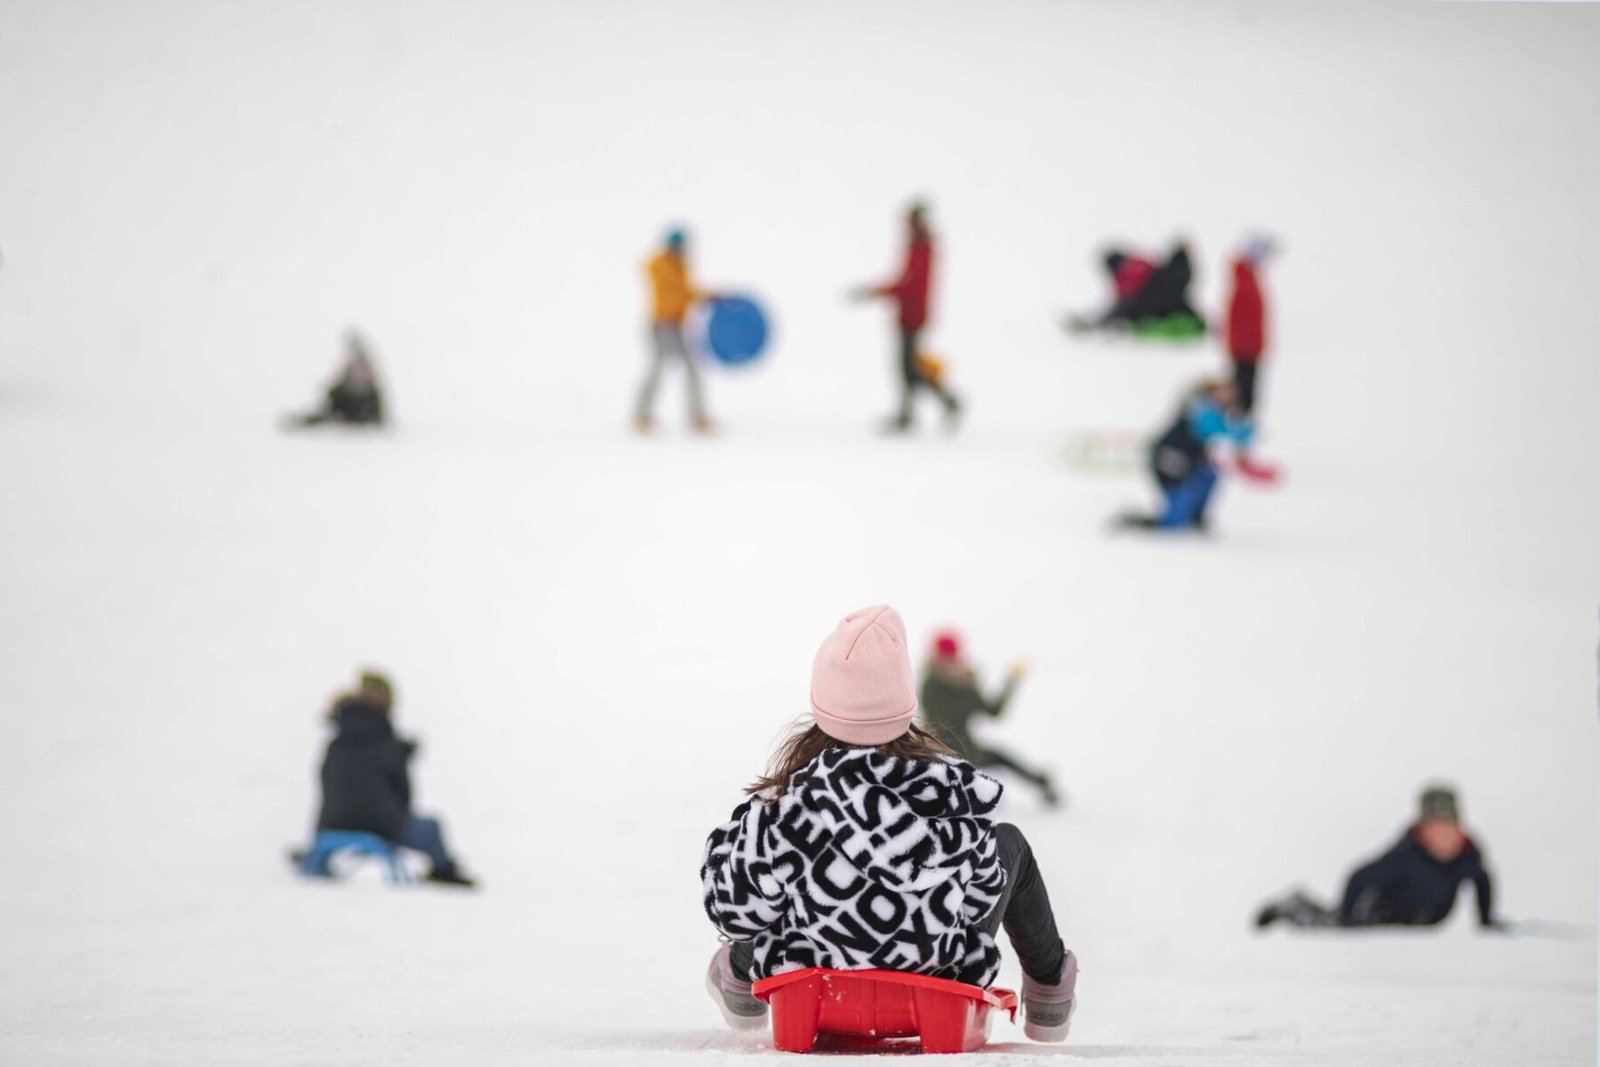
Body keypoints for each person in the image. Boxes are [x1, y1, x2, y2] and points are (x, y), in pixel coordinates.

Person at [700, 606, 1078, 1042]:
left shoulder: (787, 804)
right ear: (903, 703)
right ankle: (1050, 992)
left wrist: (742, 841)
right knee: (1007, 841)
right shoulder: (955, 799)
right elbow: (977, 905)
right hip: (941, 980)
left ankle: (738, 980)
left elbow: (734, 911)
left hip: (811, 978)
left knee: (776, 872)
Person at [305, 671, 477, 888]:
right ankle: (443, 871)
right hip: (381, 826)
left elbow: (326, 784)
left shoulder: (336, 744)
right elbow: (403, 794)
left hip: (332, 825)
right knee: (432, 828)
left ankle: (313, 852)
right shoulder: (389, 746)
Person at [1256, 785, 1503, 930]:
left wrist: (1487, 921)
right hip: (1375, 914)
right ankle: (1291, 907)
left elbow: (1482, 882)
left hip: (1422, 921)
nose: (1445, 836)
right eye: (1436, 828)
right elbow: (1359, 876)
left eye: (1450, 828)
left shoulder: (1467, 855)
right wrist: (1346, 914)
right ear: (1422, 830)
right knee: (1327, 925)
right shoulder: (1407, 856)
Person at [852, 202, 962, 433]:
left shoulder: (921, 247)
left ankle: (937, 405)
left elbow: (909, 285)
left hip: (913, 316)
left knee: (908, 369)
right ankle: (921, 410)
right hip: (910, 314)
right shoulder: (918, 245)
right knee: (908, 369)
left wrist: (876, 292)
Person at [919, 631, 1060, 806]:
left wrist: (1011, 681)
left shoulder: (950, 683)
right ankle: (1041, 782)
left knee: (1001, 758)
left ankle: (1041, 782)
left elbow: (994, 712)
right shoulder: (941, 685)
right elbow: (987, 712)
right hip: (944, 753)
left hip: (957, 751)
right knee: (998, 761)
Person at [1118, 377, 1252, 531]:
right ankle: (1143, 523)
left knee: (1207, 476)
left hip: (1188, 461)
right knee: (1174, 517)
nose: (1227, 396)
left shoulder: (1217, 413)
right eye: (1222, 391)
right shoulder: (1201, 408)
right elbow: (1215, 431)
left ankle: (1193, 517)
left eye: (1230, 393)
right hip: (1170, 457)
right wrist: (1242, 435)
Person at [637, 227, 714, 435]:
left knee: (692, 369)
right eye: (678, 247)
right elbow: (679, 294)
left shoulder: (681, 266)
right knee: (658, 368)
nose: (681, 250)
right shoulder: (660, 266)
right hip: (662, 325)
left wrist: (707, 296)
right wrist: (704, 296)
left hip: (679, 326)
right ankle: (642, 415)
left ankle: (697, 416)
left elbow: (687, 292)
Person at [1068, 241, 1205, 338]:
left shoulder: (1133, 269)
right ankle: (1095, 324)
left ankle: (1092, 325)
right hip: (1152, 307)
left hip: (1140, 305)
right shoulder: (1164, 272)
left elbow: (1125, 297)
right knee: (1117, 312)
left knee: (1116, 312)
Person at [285, 329, 385, 428]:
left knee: (333, 401)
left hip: (357, 405)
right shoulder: (355, 364)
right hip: (353, 406)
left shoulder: (362, 364)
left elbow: (364, 387)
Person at [1225, 235, 1275, 418]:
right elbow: (1240, 316)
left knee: (1247, 390)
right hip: (1245, 347)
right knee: (1243, 391)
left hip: (1249, 345)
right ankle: (1238, 425)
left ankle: (1242, 426)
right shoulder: (1244, 279)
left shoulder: (1249, 277)